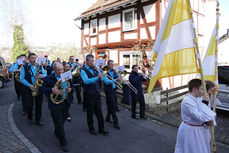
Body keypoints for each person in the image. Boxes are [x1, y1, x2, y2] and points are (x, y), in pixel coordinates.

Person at [174, 79, 216, 153]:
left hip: (199, 130)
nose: (203, 92)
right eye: (202, 89)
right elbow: (199, 117)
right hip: (191, 132)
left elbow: (206, 113)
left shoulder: (196, 98)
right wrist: (205, 103)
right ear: (194, 89)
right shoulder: (187, 101)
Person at [42, 62, 74, 152]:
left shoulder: (65, 76)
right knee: (59, 123)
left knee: (62, 120)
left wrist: (70, 90)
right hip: (54, 105)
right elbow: (43, 89)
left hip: (65, 102)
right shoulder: (48, 78)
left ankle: (56, 132)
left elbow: (71, 87)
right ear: (54, 70)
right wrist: (51, 90)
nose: (60, 71)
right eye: (58, 70)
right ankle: (63, 143)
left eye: (61, 69)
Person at [80, 54, 108, 135]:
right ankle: (91, 128)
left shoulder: (95, 69)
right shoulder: (83, 70)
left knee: (99, 112)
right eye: (91, 61)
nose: (93, 62)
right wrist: (97, 78)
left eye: (93, 61)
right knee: (90, 112)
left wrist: (98, 70)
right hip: (89, 94)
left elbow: (103, 78)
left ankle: (101, 128)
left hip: (97, 93)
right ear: (87, 61)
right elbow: (86, 81)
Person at [20, 53, 47, 126]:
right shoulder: (24, 67)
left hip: (39, 88)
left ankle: (38, 120)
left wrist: (42, 75)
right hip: (29, 88)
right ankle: (29, 118)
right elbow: (21, 78)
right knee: (29, 105)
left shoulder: (39, 66)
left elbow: (45, 74)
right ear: (29, 59)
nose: (34, 59)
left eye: (35, 58)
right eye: (32, 58)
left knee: (39, 105)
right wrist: (30, 85)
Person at [103, 60, 121, 129]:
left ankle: (107, 118)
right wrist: (116, 79)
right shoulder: (105, 72)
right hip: (108, 91)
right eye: (111, 65)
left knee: (111, 105)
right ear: (108, 65)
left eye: (113, 65)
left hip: (114, 90)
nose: (112, 66)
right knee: (113, 106)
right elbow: (107, 82)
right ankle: (116, 123)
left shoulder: (114, 72)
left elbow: (120, 78)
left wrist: (117, 73)